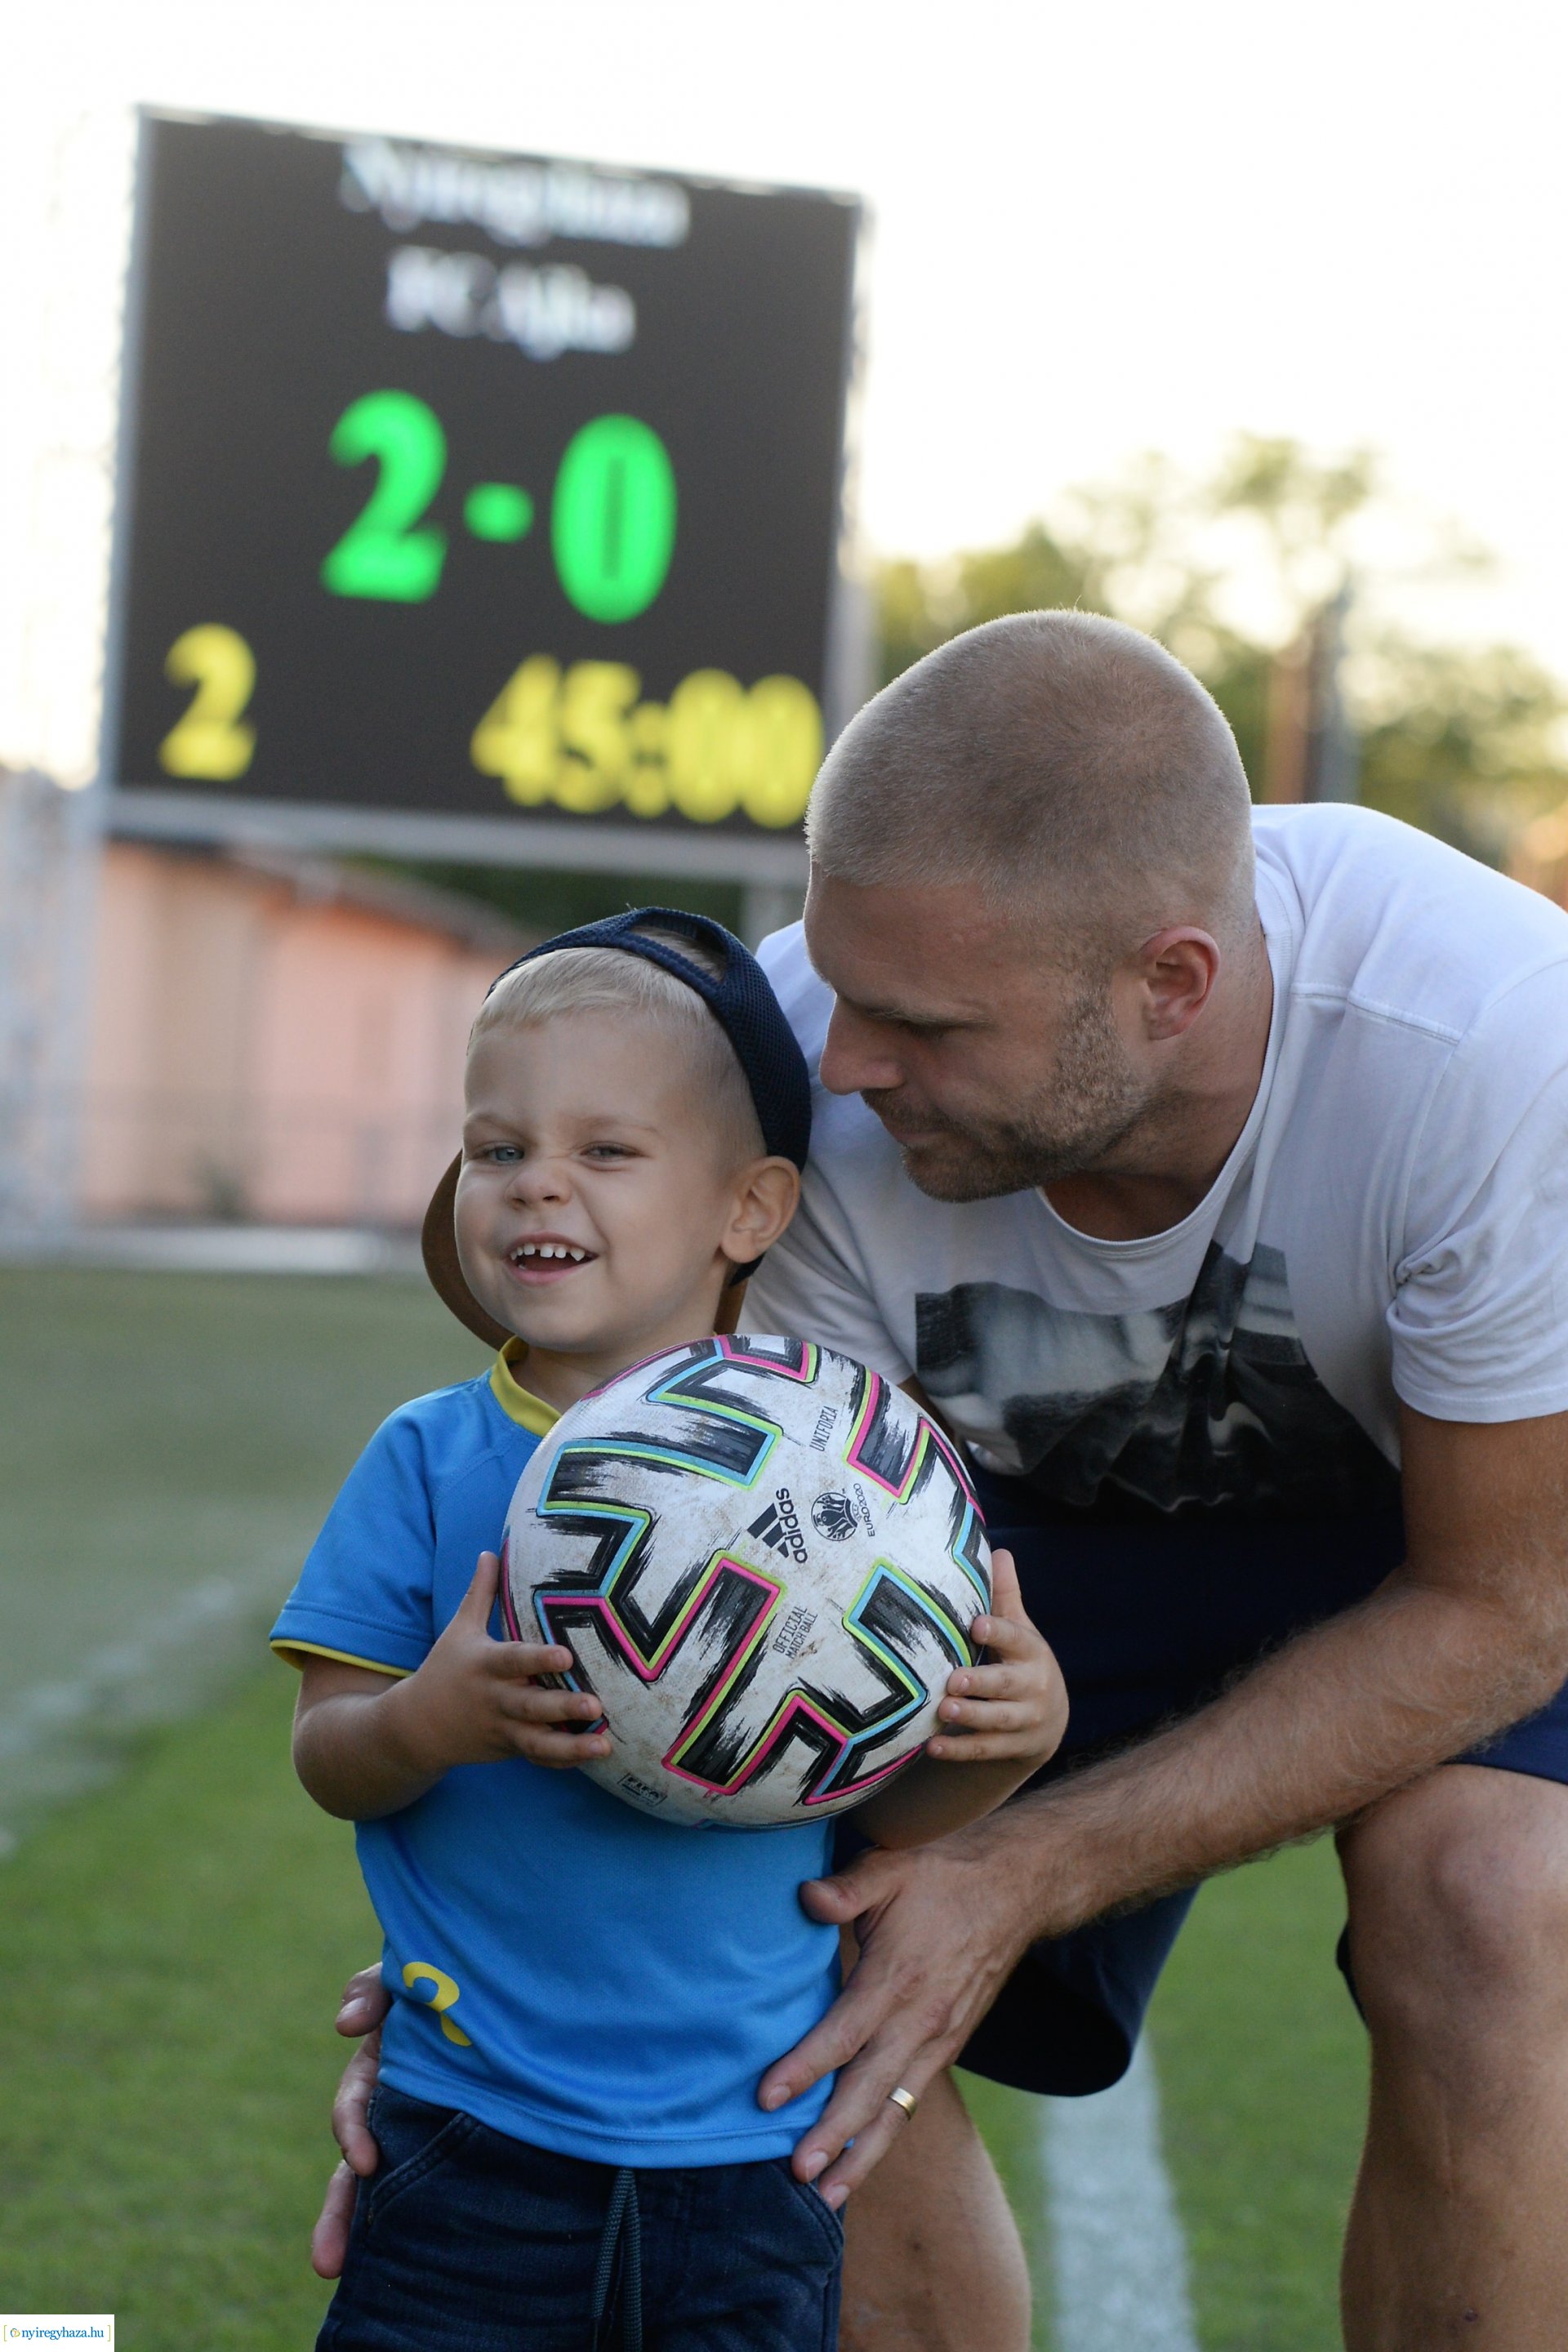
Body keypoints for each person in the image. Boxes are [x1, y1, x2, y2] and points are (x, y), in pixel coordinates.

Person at [318, 608, 1568, 2352]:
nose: (842, 1070)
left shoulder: (1495, 1046)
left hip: (1417, 1533)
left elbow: (1506, 1604)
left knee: (1490, 1894)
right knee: (822, 1915)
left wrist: (1028, 1870)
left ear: (1173, 982)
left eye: (919, 1027)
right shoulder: (811, 1057)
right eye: (840, 996)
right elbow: (587, 1411)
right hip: (992, 1541)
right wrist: (513, 2031)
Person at [276, 910, 1066, 2352]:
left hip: (753, 2166)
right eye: (500, 1149)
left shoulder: (856, 1480)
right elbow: (330, 1755)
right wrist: (426, 1722)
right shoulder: (427, 1456)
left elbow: (880, 1825)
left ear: (750, 1211)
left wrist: (1010, 1744)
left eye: (605, 1151)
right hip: (473, 2146)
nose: (536, 1188)